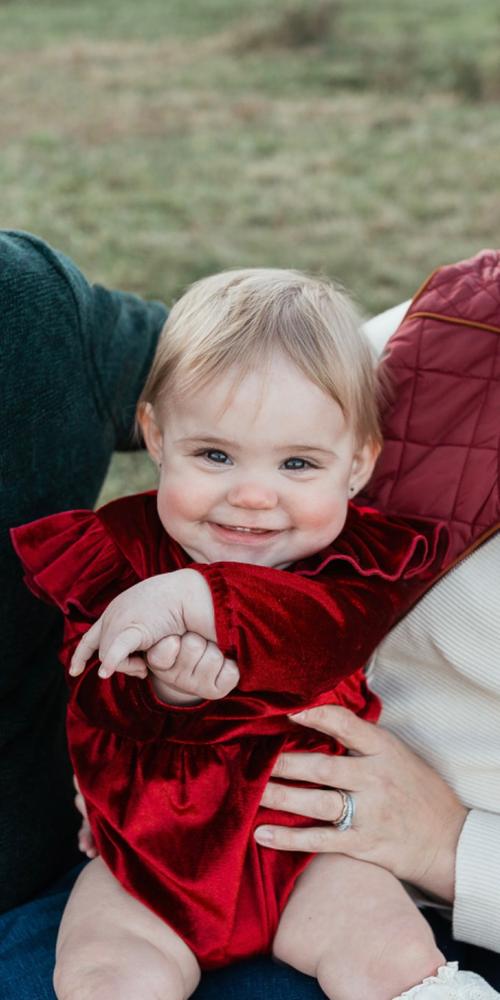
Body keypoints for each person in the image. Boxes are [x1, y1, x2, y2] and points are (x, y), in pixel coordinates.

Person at [12, 267, 498, 1000]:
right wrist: (156, 691)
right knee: (101, 970)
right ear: (155, 435)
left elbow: (322, 635)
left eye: (298, 464)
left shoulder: (360, 559)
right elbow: (88, 689)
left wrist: (199, 597)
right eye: (214, 455)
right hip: (149, 858)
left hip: (304, 853)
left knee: (390, 948)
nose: (253, 494)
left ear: (358, 465)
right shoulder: (118, 550)